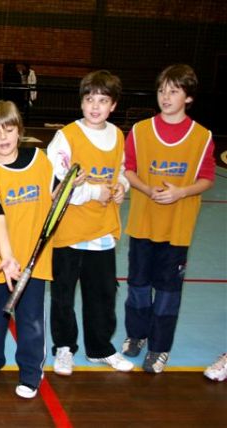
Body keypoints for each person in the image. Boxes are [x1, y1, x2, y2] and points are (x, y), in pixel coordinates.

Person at [122, 64, 216, 373]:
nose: (165, 96)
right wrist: (147, 188)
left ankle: (159, 347)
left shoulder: (202, 137)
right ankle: (136, 335)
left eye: (174, 91)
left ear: (188, 97)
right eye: (162, 90)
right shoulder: (140, 131)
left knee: (167, 292)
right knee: (137, 285)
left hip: (177, 229)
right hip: (142, 224)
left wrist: (181, 192)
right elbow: (129, 170)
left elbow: (207, 178)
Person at [46, 70, 133, 376]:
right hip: (69, 232)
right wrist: (97, 192)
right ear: (81, 102)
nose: (95, 106)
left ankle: (100, 348)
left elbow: (120, 170)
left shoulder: (118, 136)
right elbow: (58, 186)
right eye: (89, 99)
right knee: (63, 295)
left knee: (103, 294)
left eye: (103, 100)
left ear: (113, 105)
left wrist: (121, 186)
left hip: (103, 231)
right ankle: (64, 347)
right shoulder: (66, 137)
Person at [0, 100, 54, 399]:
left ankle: (31, 373)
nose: (3, 137)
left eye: (8, 129)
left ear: (20, 130)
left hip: (35, 260)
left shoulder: (40, 160)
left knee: (31, 319)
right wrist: (7, 258)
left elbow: (55, 192)